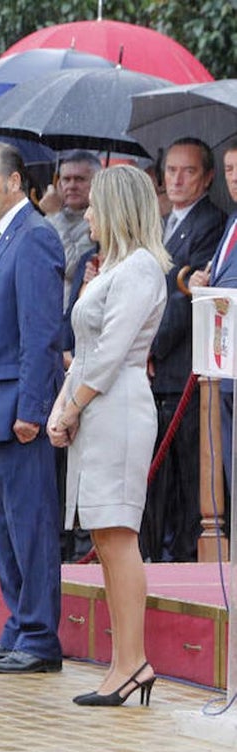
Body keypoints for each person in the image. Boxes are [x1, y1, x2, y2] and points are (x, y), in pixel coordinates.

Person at [47, 165, 169, 706]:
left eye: (95, 205)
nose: (87, 213)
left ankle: (133, 662)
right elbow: (87, 353)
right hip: (97, 407)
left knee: (118, 535)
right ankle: (126, 662)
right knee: (102, 535)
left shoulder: (141, 269)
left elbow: (112, 353)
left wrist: (69, 409)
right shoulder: (113, 268)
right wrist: (63, 408)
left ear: (118, 208)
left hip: (117, 409)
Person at [0, 142, 66, 674]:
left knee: (31, 527)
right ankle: (19, 629)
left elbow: (42, 334)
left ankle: (41, 637)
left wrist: (32, 407)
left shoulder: (35, 237)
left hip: (16, 414)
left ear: (15, 182)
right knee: (3, 530)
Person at [145, 137, 226, 562]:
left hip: (184, 368)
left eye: (188, 171)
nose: (176, 179)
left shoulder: (212, 223)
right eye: (170, 170)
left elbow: (186, 297)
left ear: (208, 177)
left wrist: (149, 347)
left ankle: (183, 559)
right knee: (160, 481)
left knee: (189, 475)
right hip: (155, 373)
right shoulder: (158, 223)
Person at [188, 140, 237, 492]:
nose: (234, 178)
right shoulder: (232, 220)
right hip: (222, 363)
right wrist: (200, 281)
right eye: (230, 170)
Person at [44, 150, 100, 306]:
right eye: (66, 179)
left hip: (72, 313)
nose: (71, 186)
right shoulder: (52, 216)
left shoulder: (99, 223)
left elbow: (73, 268)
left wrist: (55, 215)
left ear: (97, 182)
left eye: (80, 179)